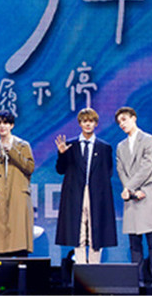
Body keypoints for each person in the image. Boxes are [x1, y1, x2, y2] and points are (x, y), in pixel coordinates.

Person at [54, 107, 117, 264]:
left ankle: (94, 270)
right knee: (78, 232)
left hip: (97, 193)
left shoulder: (104, 147)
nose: (88, 124)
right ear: (80, 124)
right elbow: (60, 170)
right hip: (75, 193)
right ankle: (81, 268)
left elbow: (108, 172)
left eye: (91, 121)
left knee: (96, 233)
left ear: (96, 123)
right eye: (84, 121)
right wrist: (62, 154)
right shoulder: (70, 145)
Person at [115, 107, 152, 286]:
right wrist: (130, 191)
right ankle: (136, 281)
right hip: (131, 198)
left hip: (147, 195)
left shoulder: (148, 140)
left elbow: (147, 166)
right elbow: (121, 170)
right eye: (119, 122)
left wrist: (131, 187)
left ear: (134, 118)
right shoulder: (120, 146)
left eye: (124, 119)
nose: (122, 124)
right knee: (134, 243)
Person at [0, 110, 34, 257]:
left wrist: (12, 151)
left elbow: (29, 168)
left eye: (5, 123)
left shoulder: (22, 145)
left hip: (17, 194)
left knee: (19, 241)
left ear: (11, 125)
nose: (2, 126)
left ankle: (21, 270)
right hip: (0, 196)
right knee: (1, 244)